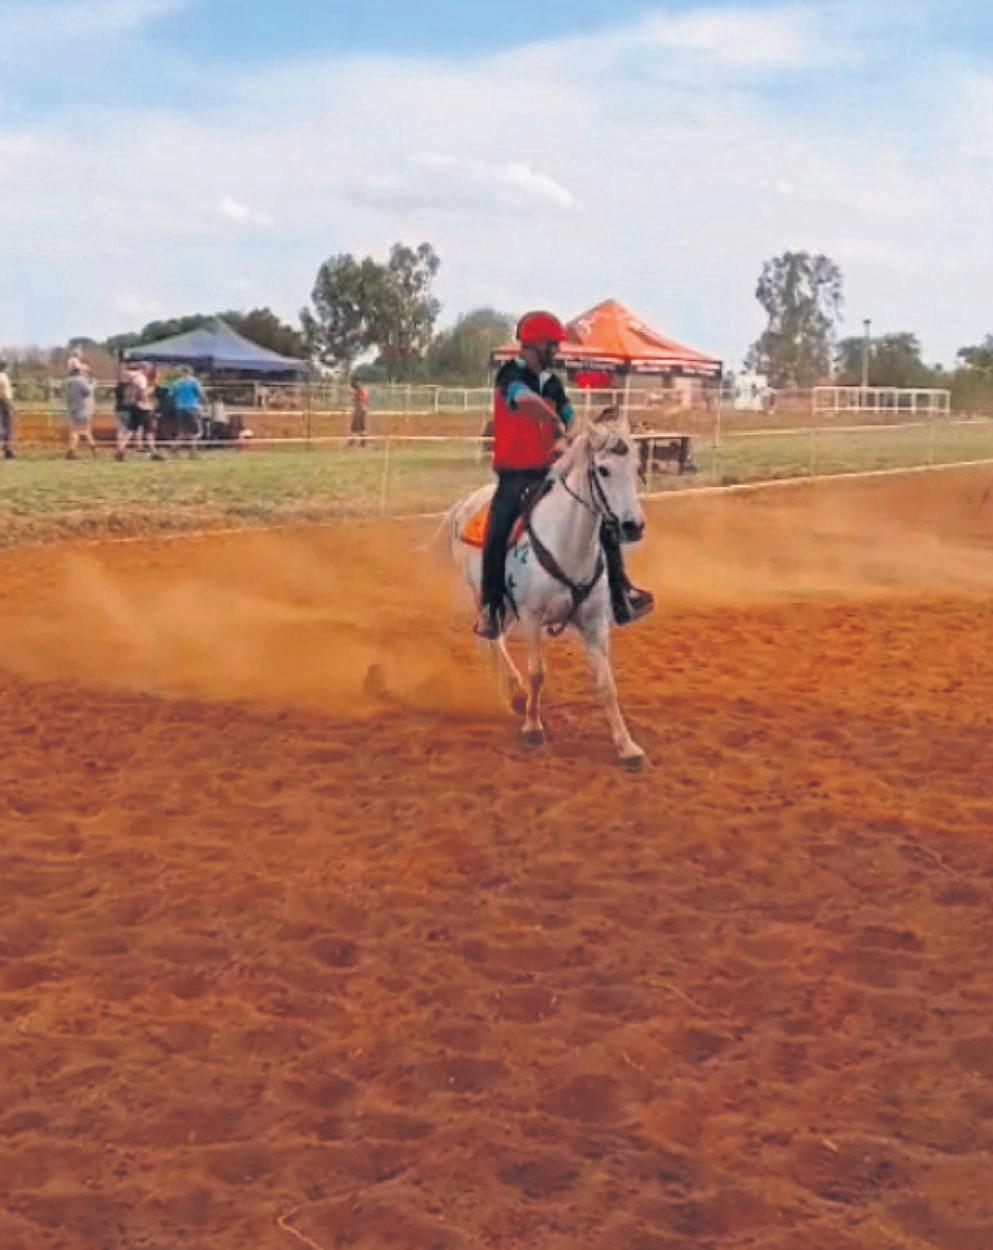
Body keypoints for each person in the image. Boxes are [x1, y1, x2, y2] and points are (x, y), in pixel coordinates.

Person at [474, 310, 653, 639]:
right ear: (532, 344)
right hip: (514, 476)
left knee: (601, 520)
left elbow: (570, 418)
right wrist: (552, 419)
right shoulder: (510, 375)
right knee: (497, 531)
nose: (556, 350)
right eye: (551, 344)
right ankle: (492, 607)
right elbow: (525, 401)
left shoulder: (552, 384)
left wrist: (573, 433)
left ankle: (620, 593)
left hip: (549, 471)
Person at [168, 365, 206, 453]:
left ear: (181, 373)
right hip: (192, 407)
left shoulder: (176, 383)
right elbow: (201, 393)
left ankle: (174, 448)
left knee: (183, 430)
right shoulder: (194, 381)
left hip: (180, 408)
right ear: (190, 372)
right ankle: (193, 450)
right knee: (196, 431)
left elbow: (170, 395)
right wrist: (204, 403)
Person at [64, 359, 97, 458]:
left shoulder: (68, 381)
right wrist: (93, 385)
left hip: (73, 408)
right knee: (82, 430)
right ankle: (89, 448)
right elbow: (87, 392)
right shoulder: (81, 381)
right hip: (83, 408)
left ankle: (74, 450)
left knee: (78, 430)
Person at [348, 377, 369, 447]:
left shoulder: (359, 391)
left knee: (354, 426)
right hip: (362, 409)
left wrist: (353, 394)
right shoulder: (362, 390)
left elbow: (359, 400)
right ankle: (363, 441)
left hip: (359, 409)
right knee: (361, 426)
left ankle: (352, 441)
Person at [0, 358, 14, 460]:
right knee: (7, 425)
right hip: (4, 402)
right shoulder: (2, 377)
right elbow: (2, 392)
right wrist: (10, 404)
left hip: (3, 401)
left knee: (5, 426)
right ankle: (7, 450)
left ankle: (7, 449)